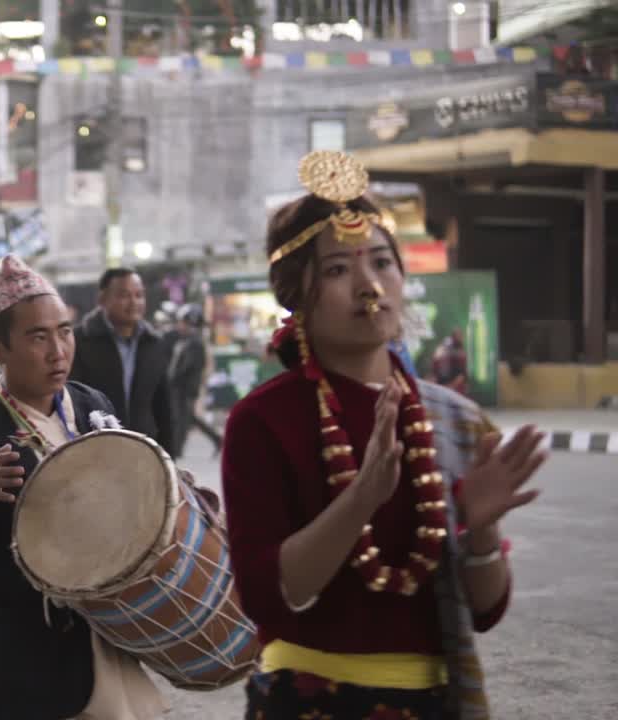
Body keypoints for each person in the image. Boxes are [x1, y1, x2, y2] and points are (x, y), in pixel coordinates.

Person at [221, 151, 545, 718]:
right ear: (297, 295)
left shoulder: (455, 418)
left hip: (432, 701)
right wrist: (362, 497)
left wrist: (483, 530)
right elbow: (269, 596)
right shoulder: (261, 420)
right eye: (338, 270)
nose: (370, 287)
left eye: (381, 262)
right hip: (307, 699)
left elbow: (485, 611)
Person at [0, 255, 168, 720]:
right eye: (38, 337)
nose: (58, 351)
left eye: (64, 332)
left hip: (105, 637)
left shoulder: (91, 406)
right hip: (24, 661)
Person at [70, 268, 176, 456]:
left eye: (139, 295)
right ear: (102, 299)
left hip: (145, 451)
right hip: (96, 451)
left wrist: (170, 459)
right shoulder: (80, 341)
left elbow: (163, 407)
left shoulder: (154, 344)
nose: (134, 302)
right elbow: (71, 400)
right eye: (124, 295)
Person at [167, 304, 221, 458]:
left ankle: (176, 449)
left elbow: (188, 368)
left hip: (186, 388)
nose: (180, 326)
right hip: (184, 387)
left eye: (183, 322)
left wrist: (175, 380)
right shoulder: (187, 341)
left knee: (183, 418)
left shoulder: (195, 342)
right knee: (188, 418)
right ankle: (216, 439)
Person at [430, 330, 468, 396]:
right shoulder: (441, 352)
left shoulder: (461, 353)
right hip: (443, 387)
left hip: (454, 389)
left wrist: (450, 387)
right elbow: (435, 373)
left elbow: (461, 375)